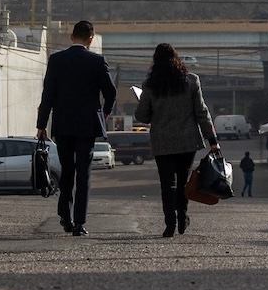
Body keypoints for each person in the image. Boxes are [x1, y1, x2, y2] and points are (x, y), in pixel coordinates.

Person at [36, 20, 117, 238]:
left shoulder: (56, 60)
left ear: (72, 37)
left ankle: (65, 215)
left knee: (67, 171)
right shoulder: (97, 61)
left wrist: (41, 124)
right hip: (87, 126)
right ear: (91, 38)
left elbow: (48, 95)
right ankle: (79, 223)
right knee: (84, 174)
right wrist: (105, 112)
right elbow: (111, 92)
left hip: (62, 125)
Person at [134, 44, 219, 238]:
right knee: (183, 181)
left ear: (156, 62)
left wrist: (143, 103)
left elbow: (142, 116)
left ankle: (169, 223)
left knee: (167, 183)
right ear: (177, 59)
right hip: (187, 141)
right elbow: (202, 112)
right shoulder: (191, 81)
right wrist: (212, 140)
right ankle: (182, 216)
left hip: (162, 141)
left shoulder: (150, 85)